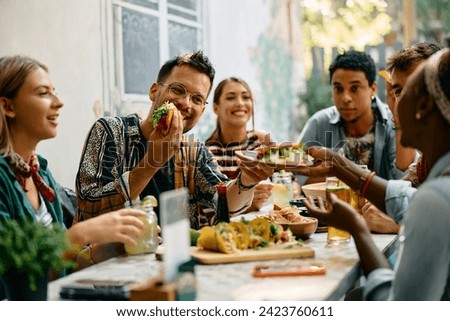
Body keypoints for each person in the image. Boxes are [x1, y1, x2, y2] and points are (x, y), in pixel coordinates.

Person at [304, 47, 450, 300]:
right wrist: (338, 164)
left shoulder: (437, 198)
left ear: (424, 105)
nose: (392, 103)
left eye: (405, 92)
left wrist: (357, 230)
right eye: (395, 91)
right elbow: (404, 198)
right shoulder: (435, 172)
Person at [75, 51, 274, 229]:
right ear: (154, 91)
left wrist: (247, 180)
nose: (185, 103)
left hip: (176, 260)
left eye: (197, 99)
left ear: (202, 110)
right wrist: (152, 161)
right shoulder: (110, 131)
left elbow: (225, 204)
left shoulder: (194, 152)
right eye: (178, 90)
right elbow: (89, 208)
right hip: (112, 262)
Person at [0, 55, 146, 272]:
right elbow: (14, 278)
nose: (59, 103)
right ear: (7, 106)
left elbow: (57, 268)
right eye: (43, 93)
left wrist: (110, 245)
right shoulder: (4, 179)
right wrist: (81, 233)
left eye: (54, 91)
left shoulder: (40, 172)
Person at [361, 41, 442, 233]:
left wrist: (402, 224)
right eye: (399, 91)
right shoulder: (428, 160)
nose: (406, 101)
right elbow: (397, 193)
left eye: (417, 87)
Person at [297, 50, 405, 187]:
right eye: (338, 89)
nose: (345, 98)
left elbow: (405, 179)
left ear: (373, 88)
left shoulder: (393, 123)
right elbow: (297, 176)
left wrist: (400, 120)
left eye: (354, 88)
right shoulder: (319, 123)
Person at [205, 77, 274, 212]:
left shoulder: (261, 141)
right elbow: (209, 211)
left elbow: (285, 179)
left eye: (246, 97)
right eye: (231, 98)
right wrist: (248, 203)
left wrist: (292, 186)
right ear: (215, 108)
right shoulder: (208, 153)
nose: (240, 103)